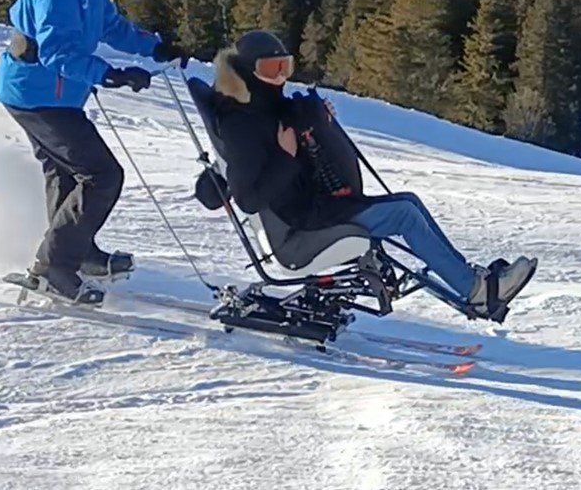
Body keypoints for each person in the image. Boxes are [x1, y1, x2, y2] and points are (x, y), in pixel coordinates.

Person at [211, 30, 534, 318]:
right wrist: (287, 155)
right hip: (304, 224)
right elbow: (248, 199)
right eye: (271, 69)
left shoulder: (265, 107)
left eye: (286, 66)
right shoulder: (242, 125)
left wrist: (318, 126)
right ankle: (476, 292)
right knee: (404, 214)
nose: (281, 77)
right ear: (246, 73)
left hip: (316, 207)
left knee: (408, 201)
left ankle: (473, 281)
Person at [0, 0, 186, 304]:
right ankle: (53, 268)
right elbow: (57, 50)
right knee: (102, 175)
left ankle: (76, 254)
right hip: (35, 95)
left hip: (55, 94)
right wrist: (110, 74)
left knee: (66, 173)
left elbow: (110, 27)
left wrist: (154, 46)